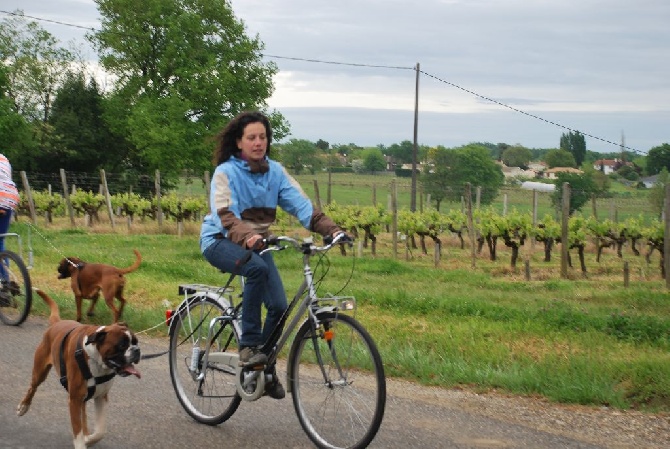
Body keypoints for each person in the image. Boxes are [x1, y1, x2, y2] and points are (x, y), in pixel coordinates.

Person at [200, 111, 344, 400]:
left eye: (262, 137)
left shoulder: (275, 173)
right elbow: (225, 215)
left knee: (279, 305)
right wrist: (247, 235)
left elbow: (302, 207)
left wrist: (332, 230)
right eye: (251, 137)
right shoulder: (225, 172)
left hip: (256, 245)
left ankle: (263, 369)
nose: (258, 143)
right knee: (256, 270)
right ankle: (249, 346)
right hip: (219, 240)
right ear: (239, 142)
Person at [0, 153, 20, 303]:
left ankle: (4, 285)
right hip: (10, 197)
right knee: (0, 241)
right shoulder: (4, 158)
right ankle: (5, 282)